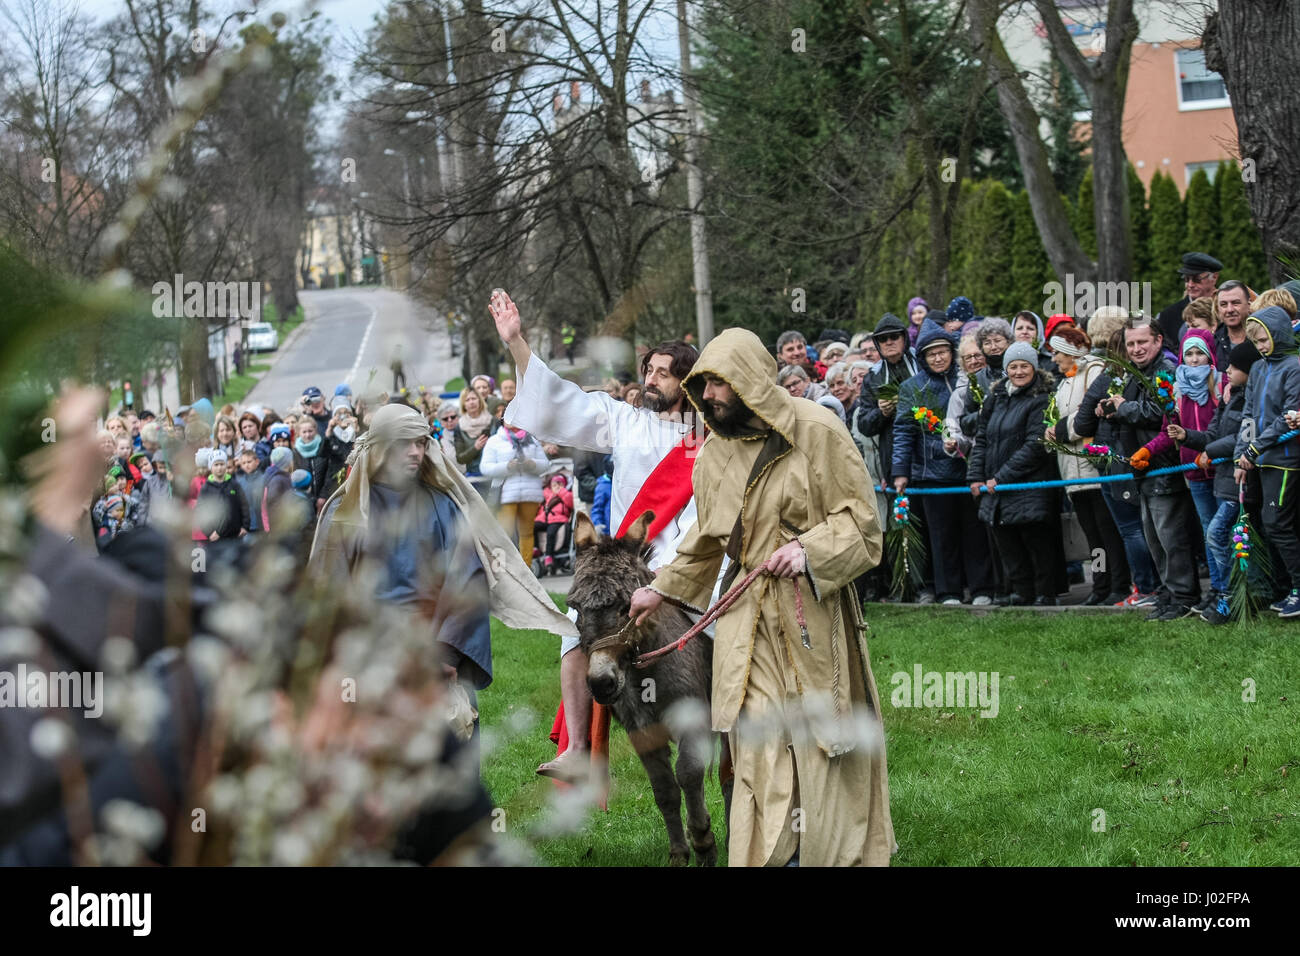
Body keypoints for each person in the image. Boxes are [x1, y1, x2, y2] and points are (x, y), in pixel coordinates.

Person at [627, 327, 894, 867]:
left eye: (723, 384)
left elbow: (864, 526)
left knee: (819, 738)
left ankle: (829, 850)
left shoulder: (818, 429)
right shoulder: (713, 454)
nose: (711, 397)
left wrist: (809, 550)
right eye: (703, 385)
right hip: (746, 622)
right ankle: (777, 856)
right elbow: (706, 540)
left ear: (752, 380)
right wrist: (659, 589)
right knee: (758, 742)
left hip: (811, 615)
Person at [491, 288, 700, 784]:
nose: (649, 379)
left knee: (715, 625)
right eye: (647, 370)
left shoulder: (706, 437)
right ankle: (580, 749)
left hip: (681, 556)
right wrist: (517, 342)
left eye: (662, 373)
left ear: (687, 382)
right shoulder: (625, 419)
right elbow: (561, 399)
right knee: (573, 630)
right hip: (624, 560)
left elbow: (704, 510)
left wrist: (678, 567)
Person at [310, 402, 574, 773]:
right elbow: (328, 590)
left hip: (437, 650)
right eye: (405, 444)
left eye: (421, 442)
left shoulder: (443, 505)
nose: (416, 452)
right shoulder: (348, 510)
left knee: (451, 776)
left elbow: (467, 578)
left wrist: (447, 653)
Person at [1097, 318, 1201, 621]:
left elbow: (1164, 414)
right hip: (1140, 467)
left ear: (1157, 340)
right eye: (1131, 344)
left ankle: (1184, 596)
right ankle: (1168, 593)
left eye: (1142, 342)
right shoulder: (1133, 374)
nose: (1136, 348)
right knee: (1154, 539)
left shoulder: (1165, 371)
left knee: (1171, 538)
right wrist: (1110, 407)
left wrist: (1121, 408)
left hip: (1164, 467)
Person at [894, 318, 993, 605]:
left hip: (969, 469)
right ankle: (948, 591)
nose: (938, 358)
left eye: (943, 351)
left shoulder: (968, 381)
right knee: (942, 537)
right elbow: (903, 431)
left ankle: (982, 588)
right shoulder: (913, 388)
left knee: (975, 531)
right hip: (932, 474)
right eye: (931, 353)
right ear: (922, 357)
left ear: (952, 352)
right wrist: (900, 471)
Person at [1130, 330, 1221, 611]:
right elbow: (1168, 431)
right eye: (1189, 354)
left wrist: (1213, 452)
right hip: (1193, 474)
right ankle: (1217, 591)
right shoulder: (1176, 389)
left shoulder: (1219, 386)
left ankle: (1230, 590)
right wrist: (1147, 450)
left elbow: (1223, 428)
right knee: (1209, 533)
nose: (1194, 360)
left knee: (1222, 533)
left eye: (1200, 353)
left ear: (1210, 354)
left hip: (1220, 470)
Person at [967, 341, 1061, 605]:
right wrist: (975, 477)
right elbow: (982, 439)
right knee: (1008, 542)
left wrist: (1002, 477)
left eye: (1024, 366)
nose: (1018, 372)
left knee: (1035, 541)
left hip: (1028, 484)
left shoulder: (1041, 398)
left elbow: (1036, 444)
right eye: (1013, 366)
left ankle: (1044, 593)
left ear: (1034, 368)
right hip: (995, 486)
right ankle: (1020, 591)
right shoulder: (996, 398)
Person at [1043, 326, 1131, 605]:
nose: (1054, 358)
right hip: (1072, 470)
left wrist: (1059, 430)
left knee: (1109, 531)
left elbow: (1088, 415)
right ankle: (1100, 585)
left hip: (1094, 468)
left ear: (1070, 351)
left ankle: (1120, 584)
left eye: (1057, 352)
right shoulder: (1064, 381)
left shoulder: (1094, 371)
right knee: (1092, 535)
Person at [1182, 341, 1265, 624]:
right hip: (1224, 481)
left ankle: (1235, 597)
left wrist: (1212, 451)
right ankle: (1238, 598)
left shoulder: (1252, 399)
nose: (1226, 370)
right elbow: (1213, 434)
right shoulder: (1230, 397)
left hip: (1242, 481)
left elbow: (1246, 435)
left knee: (1218, 535)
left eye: (1233, 366)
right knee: (1227, 539)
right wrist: (1186, 437)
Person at [1233, 306, 1300, 617]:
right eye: (1256, 342)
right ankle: (1287, 589)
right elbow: (1249, 414)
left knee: (1278, 524)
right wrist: (1240, 454)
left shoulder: (1294, 367)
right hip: (1260, 459)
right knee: (1271, 525)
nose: (1260, 346)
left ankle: (1298, 589)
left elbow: (1287, 419)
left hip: (1285, 459)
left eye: (1264, 339)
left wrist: (1254, 450)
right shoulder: (1259, 369)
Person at [855, 313, 922, 601]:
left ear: (904, 339)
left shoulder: (919, 366)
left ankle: (934, 587)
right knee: (899, 524)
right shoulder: (873, 376)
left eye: (894, 337)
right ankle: (905, 589)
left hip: (926, 455)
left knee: (929, 523)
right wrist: (882, 412)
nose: (889, 342)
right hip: (892, 459)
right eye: (883, 339)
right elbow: (864, 423)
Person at [479, 421, 548, 562]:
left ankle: (526, 570)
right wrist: (506, 467)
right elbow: (485, 467)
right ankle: (506, 570)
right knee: (504, 534)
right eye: (508, 416)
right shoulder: (494, 440)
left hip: (530, 493)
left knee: (527, 533)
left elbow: (546, 464)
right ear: (502, 420)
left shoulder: (532, 439)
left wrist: (533, 464)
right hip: (506, 494)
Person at [1158, 252, 1222, 348]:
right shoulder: (1168, 316)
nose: (1190, 284)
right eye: (1186, 279)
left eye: (1197, 279)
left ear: (1214, 277)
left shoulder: (1227, 309)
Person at [197, 450, 249, 542]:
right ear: (210, 467)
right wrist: (209, 532)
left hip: (235, 535)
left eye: (222, 464)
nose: (219, 468)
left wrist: (245, 526)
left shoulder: (234, 484)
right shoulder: (206, 488)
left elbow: (244, 505)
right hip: (216, 537)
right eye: (216, 465)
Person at [535, 473, 575, 575]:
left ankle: (548, 555)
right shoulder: (546, 494)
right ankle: (535, 548)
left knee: (551, 533)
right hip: (545, 519)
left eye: (560, 484)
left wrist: (561, 491)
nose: (557, 487)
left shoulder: (566, 494)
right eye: (554, 485)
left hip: (559, 519)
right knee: (532, 527)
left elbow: (570, 503)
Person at [1213, 280, 1252, 372]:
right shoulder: (1212, 343)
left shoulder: (1262, 339)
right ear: (1218, 309)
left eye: (1235, 303)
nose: (1230, 309)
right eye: (1223, 304)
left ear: (1249, 304)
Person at [292, 417, 329, 513]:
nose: (308, 435)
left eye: (310, 431)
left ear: (315, 430)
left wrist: (323, 495)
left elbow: (329, 473)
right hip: (305, 499)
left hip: (324, 497)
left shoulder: (323, 446)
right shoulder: (296, 452)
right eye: (304, 432)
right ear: (299, 433)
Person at [234, 447, 266, 533]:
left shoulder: (264, 479)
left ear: (257, 462)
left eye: (249, 462)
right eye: (243, 463)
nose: (246, 465)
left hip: (262, 525)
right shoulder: (239, 482)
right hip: (247, 526)